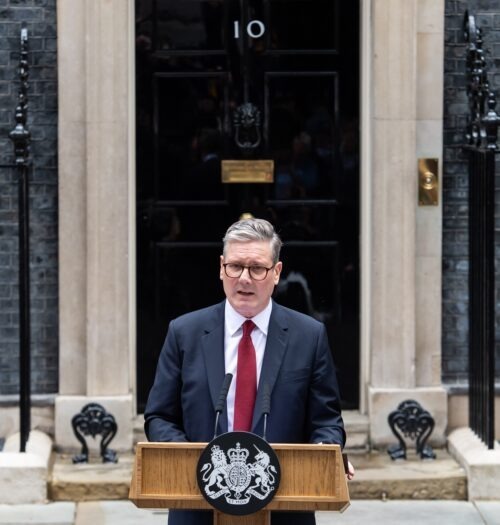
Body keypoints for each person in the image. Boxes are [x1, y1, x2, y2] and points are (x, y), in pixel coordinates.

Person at [144, 218, 354, 525]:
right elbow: (159, 416)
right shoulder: (184, 332)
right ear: (221, 267)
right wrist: (189, 458)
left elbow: (327, 420)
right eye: (235, 267)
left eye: (257, 268)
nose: (244, 278)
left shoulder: (308, 336)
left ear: (277, 273)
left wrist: (325, 452)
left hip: (285, 507)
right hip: (198, 505)